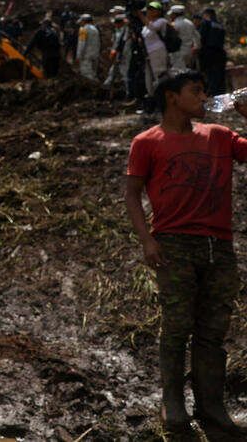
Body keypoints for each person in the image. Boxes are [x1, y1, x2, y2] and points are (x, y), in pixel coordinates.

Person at [125, 70, 246, 434]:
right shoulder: (147, 141)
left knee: (213, 330)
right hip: (173, 243)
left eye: (204, 91)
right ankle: (172, 404)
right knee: (177, 327)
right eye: (195, 91)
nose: (204, 97)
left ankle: (211, 405)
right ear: (171, 98)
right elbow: (132, 194)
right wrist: (147, 240)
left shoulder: (221, 136)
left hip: (218, 245)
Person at [132, 1, 170, 112]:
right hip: (148, 53)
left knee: (160, 75)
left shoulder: (161, 21)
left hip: (158, 51)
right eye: (149, 9)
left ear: (159, 11)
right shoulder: (145, 26)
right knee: (149, 79)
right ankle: (152, 103)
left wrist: (140, 15)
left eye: (153, 9)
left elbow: (152, 27)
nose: (150, 12)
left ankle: (164, 101)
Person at [198, 7, 227, 96]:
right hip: (220, 52)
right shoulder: (220, 25)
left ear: (207, 14)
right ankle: (220, 93)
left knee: (210, 73)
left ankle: (211, 93)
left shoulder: (206, 22)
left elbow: (201, 36)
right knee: (219, 73)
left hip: (208, 51)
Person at [104, 14, 131, 96]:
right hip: (118, 55)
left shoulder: (125, 31)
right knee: (112, 72)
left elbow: (123, 45)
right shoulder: (118, 31)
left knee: (125, 73)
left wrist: (117, 53)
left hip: (124, 56)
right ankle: (106, 87)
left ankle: (129, 92)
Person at [167, 5, 196, 71]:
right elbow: (197, 37)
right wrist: (196, 49)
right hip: (189, 52)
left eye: (171, 14)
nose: (170, 16)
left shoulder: (174, 24)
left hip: (178, 53)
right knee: (186, 70)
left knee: (178, 72)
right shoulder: (190, 23)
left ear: (174, 14)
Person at [75, 13, 101, 81]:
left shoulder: (83, 30)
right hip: (95, 54)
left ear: (84, 21)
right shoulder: (95, 29)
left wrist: (78, 55)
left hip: (86, 56)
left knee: (87, 74)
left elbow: (81, 43)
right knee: (94, 73)